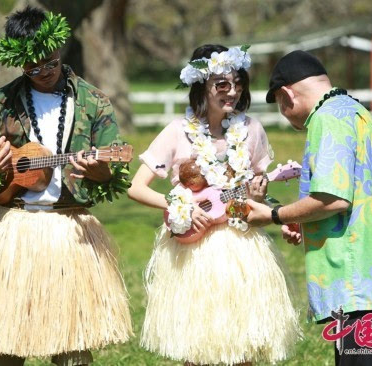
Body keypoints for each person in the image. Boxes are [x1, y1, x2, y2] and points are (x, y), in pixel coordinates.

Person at [0, 6, 132, 366]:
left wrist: (98, 170)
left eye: (50, 63)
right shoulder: (0, 103)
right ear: (19, 62)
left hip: (71, 231)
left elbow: (112, 175)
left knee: (74, 348)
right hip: (15, 229)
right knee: (4, 345)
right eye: (32, 68)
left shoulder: (93, 101)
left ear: (59, 51)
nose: (43, 73)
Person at [246, 50, 372, 365]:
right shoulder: (358, 113)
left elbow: (333, 199)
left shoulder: (327, 118)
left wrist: (274, 215)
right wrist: (305, 221)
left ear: (286, 94)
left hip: (360, 279)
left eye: (279, 104)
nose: (284, 113)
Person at [128, 44, 301, 366]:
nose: (233, 91)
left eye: (238, 84)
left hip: (241, 245)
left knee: (242, 343)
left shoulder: (252, 131)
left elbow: (257, 189)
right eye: (223, 84)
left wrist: (261, 196)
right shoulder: (177, 132)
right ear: (201, 87)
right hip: (192, 249)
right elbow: (136, 187)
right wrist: (179, 206)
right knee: (196, 345)